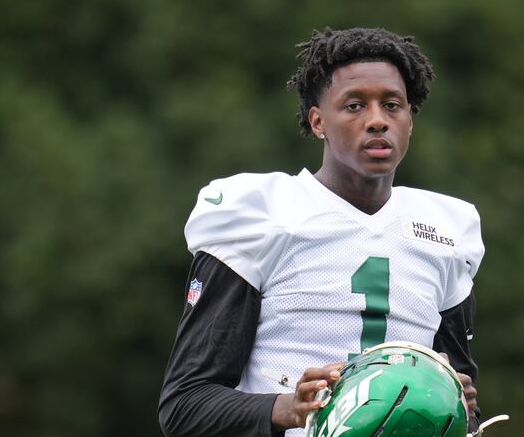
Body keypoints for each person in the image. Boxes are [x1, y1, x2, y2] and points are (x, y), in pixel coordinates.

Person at [158, 27, 485, 437]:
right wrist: (289, 409)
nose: (377, 121)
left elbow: (466, 413)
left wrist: (458, 409)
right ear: (318, 122)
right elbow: (185, 405)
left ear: (410, 121)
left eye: (392, 105)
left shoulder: (448, 231)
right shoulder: (263, 215)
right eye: (354, 106)